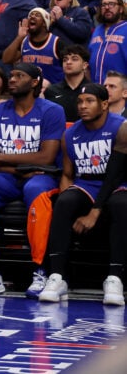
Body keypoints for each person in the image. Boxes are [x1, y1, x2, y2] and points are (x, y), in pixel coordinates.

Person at [0, 63, 66, 298]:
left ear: (34, 83)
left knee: (37, 192)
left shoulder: (52, 111)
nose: (11, 80)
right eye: (11, 76)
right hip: (11, 176)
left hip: (42, 177)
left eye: (19, 76)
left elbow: (47, 157)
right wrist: (23, 167)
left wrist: (3, 157)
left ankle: (40, 270)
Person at [40, 84, 126, 303]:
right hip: (86, 184)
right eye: (79, 101)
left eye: (89, 101)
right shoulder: (70, 134)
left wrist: (94, 213)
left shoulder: (121, 127)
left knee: (120, 204)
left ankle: (115, 278)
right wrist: (64, 200)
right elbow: (68, 174)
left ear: (105, 104)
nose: (82, 106)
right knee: (65, 200)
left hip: (118, 184)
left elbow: (115, 176)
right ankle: (58, 276)